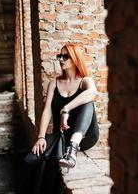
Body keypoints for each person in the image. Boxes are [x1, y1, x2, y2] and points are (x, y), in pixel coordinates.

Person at [23, 43, 100, 192]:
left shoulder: (85, 81)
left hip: (85, 137)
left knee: (88, 103)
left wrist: (66, 108)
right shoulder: (54, 83)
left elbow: (93, 92)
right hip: (62, 135)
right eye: (60, 56)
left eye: (66, 56)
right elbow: (47, 111)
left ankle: (72, 149)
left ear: (75, 58)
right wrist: (41, 137)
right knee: (30, 160)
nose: (61, 59)